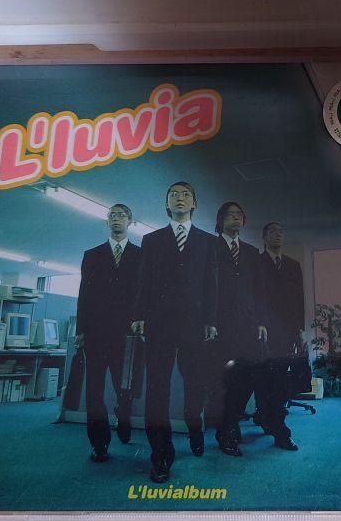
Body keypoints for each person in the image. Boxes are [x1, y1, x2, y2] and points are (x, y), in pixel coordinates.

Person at [131, 181, 218, 483]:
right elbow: (143, 281)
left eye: (185, 195)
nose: (179, 198)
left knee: (195, 383)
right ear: (166, 204)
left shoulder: (208, 241)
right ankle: (161, 454)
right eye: (173, 195)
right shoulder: (151, 240)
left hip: (195, 323)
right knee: (157, 388)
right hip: (160, 323)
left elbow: (211, 284)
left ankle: (195, 425)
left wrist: (211, 320)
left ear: (194, 203)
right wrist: (139, 314)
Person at [73, 203, 143, 463]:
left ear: (130, 221)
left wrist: (141, 320)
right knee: (94, 390)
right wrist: (81, 330)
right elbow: (84, 294)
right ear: (107, 221)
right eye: (112, 215)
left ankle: (123, 415)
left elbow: (144, 293)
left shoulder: (141, 255)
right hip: (96, 332)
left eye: (121, 215)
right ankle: (99, 443)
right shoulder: (92, 255)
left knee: (124, 387)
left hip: (127, 334)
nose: (116, 218)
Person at [213, 202, 268, 457]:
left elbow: (259, 291)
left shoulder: (251, 252)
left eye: (240, 214)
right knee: (224, 380)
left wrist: (261, 321)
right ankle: (227, 430)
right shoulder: (209, 247)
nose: (236, 218)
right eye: (230, 214)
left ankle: (229, 424)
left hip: (247, 325)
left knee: (246, 379)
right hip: (219, 324)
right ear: (220, 220)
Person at [257, 221, 303, 451]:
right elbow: (254, 296)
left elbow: (299, 300)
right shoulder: (256, 262)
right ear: (264, 237)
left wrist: (300, 330)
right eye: (273, 231)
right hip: (263, 331)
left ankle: (278, 429)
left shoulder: (293, 265)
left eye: (281, 231)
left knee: (280, 381)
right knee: (265, 380)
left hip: (287, 331)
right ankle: (269, 420)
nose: (278, 234)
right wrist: (259, 323)